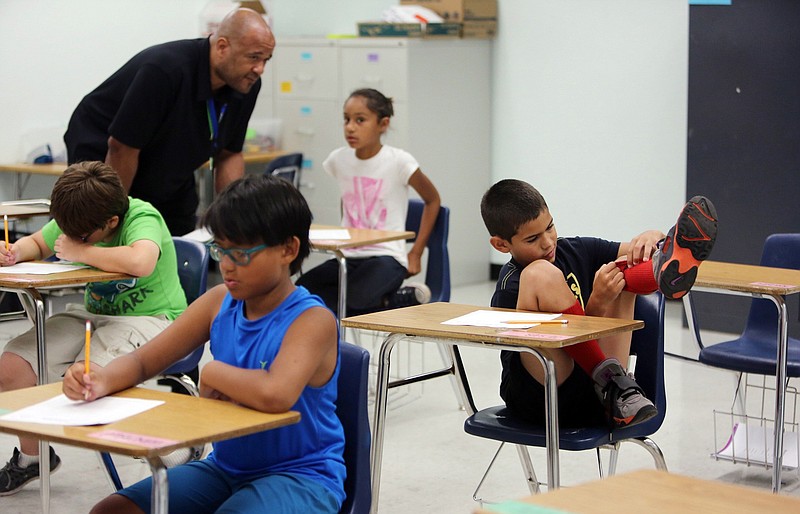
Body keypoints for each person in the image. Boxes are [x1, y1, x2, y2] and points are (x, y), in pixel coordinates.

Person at [62, 175, 345, 514]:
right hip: (225, 467)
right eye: (220, 250)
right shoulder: (219, 302)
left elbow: (275, 394)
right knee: (111, 511)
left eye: (240, 254)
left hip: (300, 476)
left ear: (288, 249)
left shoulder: (311, 319)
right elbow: (143, 362)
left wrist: (212, 372)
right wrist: (99, 379)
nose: (225, 265)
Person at [0, 161, 187, 495]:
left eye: (82, 236)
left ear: (111, 222)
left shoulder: (141, 217)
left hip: (151, 320)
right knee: (11, 367)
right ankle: (34, 458)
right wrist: (14, 252)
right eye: (67, 232)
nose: (69, 238)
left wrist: (81, 251)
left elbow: (141, 262)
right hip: (91, 314)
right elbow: (39, 243)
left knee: (87, 380)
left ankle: (176, 450)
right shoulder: (80, 218)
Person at [480, 179, 718, 429]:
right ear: (501, 244)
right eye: (532, 239)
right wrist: (598, 302)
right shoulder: (511, 286)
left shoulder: (575, 249)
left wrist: (652, 240)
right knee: (538, 273)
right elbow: (563, 346)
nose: (549, 242)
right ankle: (614, 383)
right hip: (543, 400)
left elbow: (635, 252)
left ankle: (665, 263)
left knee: (625, 266)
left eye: (550, 227)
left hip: (601, 399)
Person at [64, 8, 275, 237]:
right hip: (107, 157)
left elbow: (229, 154)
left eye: (266, 60)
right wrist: (112, 221)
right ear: (222, 47)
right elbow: (121, 146)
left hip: (165, 164)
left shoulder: (245, 84)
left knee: (179, 236)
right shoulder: (166, 70)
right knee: (105, 235)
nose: (260, 69)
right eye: (253, 57)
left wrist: (233, 223)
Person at [296, 88, 441, 315]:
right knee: (303, 290)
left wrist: (415, 253)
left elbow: (433, 200)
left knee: (355, 297)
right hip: (348, 255)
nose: (350, 127)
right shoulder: (338, 159)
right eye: (346, 119)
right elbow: (347, 198)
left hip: (387, 256)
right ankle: (397, 299)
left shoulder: (399, 162)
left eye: (360, 120)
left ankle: (399, 297)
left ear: (383, 124)